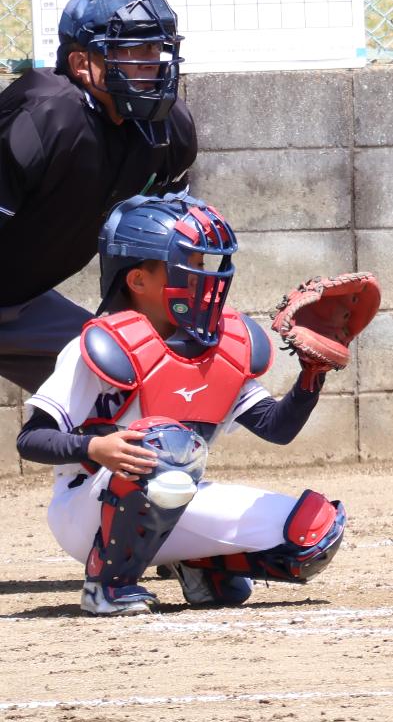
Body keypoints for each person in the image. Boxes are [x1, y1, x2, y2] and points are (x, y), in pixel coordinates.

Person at [16, 193, 343, 615]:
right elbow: (32, 439)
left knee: (314, 532)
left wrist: (310, 377)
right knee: (163, 449)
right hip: (87, 510)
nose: (202, 280)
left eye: (205, 266)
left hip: (172, 494)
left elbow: (277, 429)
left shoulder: (220, 346)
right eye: (187, 266)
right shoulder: (97, 347)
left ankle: (200, 568)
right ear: (138, 281)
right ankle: (108, 585)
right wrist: (94, 448)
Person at [0, 0, 197, 394]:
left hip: (20, 305)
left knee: (132, 380)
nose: (150, 63)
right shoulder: (44, 117)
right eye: (129, 51)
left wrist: (155, 334)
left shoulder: (168, 130)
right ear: (81, 65)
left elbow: (151, 252)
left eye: (155, 49)